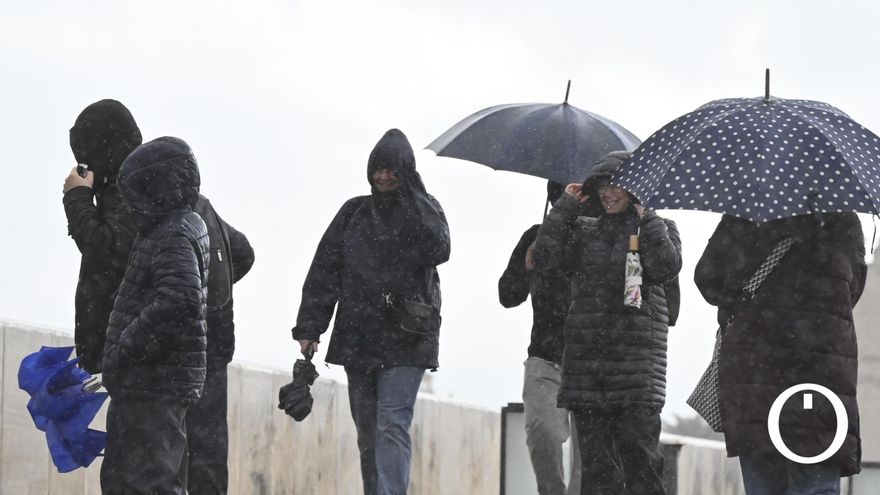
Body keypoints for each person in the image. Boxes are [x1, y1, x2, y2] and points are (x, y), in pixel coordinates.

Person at [291, 128, 450, 495]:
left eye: (393, 170)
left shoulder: (426, 209)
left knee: (391, 425)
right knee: (368, 431)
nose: (384, 177)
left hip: (408, 338)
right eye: (378, 169)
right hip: (359, 336)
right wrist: (310, 327)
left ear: (406, 171)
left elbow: (440, 248)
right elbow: (324, 271)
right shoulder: (353, 213)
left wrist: (414, 198)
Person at [534, 151, 681, 495]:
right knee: (598, 475)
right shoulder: (584, 231)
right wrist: (565, 207)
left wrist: (649, 221)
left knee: (642, 468)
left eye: (617, 187)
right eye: (602, 188)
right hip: (588, 373)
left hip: (636, 374)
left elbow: (664, 267)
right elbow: (546, 258)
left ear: (635, 190)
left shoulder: (658, 228)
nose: (608, 194)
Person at [694, 212, 866, 495]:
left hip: (756, 377)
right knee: (815, 485)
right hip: (821, 380)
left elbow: (708, 280)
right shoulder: (843, 220)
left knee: (764, 483)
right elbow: (852, 291)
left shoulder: (748, 213)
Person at [100, 136, 210, 495]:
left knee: (147, 484)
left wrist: (126, 350)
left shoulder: (173, 232)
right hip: (151, 385)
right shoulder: (174, 227)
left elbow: (180, 299)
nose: (132, 203)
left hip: (152, 385)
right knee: (129, 482)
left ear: (158, 186)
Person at [498, 181, 589, 495]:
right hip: (544, 358)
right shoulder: (534, 237)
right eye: (559, 195)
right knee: (541, 436)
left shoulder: (597, 239)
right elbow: (508, 296)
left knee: (589, 457)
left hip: (591, 361)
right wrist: (525, 267)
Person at [62, 99, 142, 373]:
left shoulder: (131, 190)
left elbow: (103, 249)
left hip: (127, 354)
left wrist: (78, 196)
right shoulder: (141, 185)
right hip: (128, 350)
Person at [186, 195, 255, 494]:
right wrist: (214, 286)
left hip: (181, 348)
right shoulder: (205, 210)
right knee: (208, 448)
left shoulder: (165, 212)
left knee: (169, 448)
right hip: (215, 344)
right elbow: (244, 252)